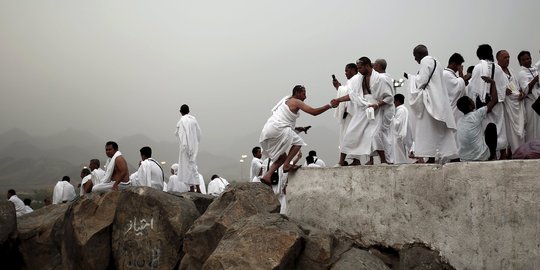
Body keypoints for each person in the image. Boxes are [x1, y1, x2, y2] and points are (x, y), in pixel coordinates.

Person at [259, 85, 336, 185]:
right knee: (298, 143)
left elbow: (284, 120)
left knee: (282, 157)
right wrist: (330, 105)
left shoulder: (286, 100)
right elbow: (313, 112)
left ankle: (267, 176)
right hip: (278, 129)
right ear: (298, 93)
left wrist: (300, 128)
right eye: (304, 94)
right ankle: (287, 165)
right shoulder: (296, 101)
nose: (305, 97)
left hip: (268, 129)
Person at [334, 57, 393, 165]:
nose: (359, 70)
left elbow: (389, 98)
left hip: (376, 110)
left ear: (367, 66)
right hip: (362, 109)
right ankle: (341, 162)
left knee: (374, 135)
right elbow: (353, 96)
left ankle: (384, 161)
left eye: (360, 68)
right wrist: (338, 100)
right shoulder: (358, 79)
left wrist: (377, 105)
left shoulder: (380, 79)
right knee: (350, 132)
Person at [405, 45, 458, 163]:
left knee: (427, 130)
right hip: (439, 100)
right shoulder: (437, 62)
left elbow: (421, 82)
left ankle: (431, 156)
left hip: (430, 101)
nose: (415, 59)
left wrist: (411, 78)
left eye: (415, 56)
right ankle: (447, 154)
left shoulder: (424, 62)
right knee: (439, 130)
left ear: (419, 54)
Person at [468, 44, 508, 159]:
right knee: (499, 128)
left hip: (483, 106)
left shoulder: (478, 68)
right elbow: (504, 86)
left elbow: (473, 89)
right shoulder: (499, 68)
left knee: (486, 129)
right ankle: (503, 153)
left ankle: (491, 154)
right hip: (497, 104)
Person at [456, 74, 499, 161]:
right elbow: (494, 100)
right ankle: (492, 156)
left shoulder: (459, 121)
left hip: (464, 158)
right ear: (469, 106)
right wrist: (493, 83)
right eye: (471, 101)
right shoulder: (476, 115)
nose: (473, 101)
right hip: (480, 157)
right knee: (491, 127)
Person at [497, 50, 525, 156]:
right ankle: (512, 152)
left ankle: (521, 151)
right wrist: (503, 90)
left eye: (508, 57)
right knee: (509, 131)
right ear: (498, 59)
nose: (508, 59)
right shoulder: (497, 71)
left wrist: (521, 92)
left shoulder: (511, 71)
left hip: (517, 105)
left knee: (520, 133)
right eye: (505, 57)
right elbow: (495, 87)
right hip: (507, 107)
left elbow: (517, 86)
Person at [332, 63, 360, 165]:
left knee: (348, 137)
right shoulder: (351, 81)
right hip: (348, 113)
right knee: (346, 136)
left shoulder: (356, 79)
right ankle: (355, 160)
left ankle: (342, 161)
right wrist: (338, 87)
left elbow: (351, 95)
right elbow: (346, 92)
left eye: (346, 70)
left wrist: (339, 90)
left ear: (353, 70)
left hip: (353, 113)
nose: (345, 73)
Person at [175, 104, 202, 192]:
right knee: (193, 166)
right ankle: (197, 187)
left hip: (185, 147)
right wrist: (195, 144)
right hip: (194, 147)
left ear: (180, 112)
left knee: (187, 167)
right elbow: (199, 133)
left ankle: (191, 188)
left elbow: (180, 134)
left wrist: (185, 146)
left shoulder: (182, 121)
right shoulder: (193, 120)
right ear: (189, 111)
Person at [517, 50, 540, 143]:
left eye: (528, 59)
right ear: (520, 62)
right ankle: (530, 149)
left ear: (531, 59)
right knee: (531, 127)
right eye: (523, 60)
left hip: (538, 101)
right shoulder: (522, 73)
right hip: (531, 103)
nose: (526, 61)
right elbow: (525, 90)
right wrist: (535, 80)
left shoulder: (535, 70)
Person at [443, 53, 469, 124]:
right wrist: (461, 72)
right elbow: (458, 88)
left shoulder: (449, 75)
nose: (460, 67)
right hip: (451, 109)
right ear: (453, 63)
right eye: (459, 65)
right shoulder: (446, 74)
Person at [391, 94, 416, 164]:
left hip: (400, 135)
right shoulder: (404, 109)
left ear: (398, 101)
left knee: (399, 153)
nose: (394, 104)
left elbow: (398, 124)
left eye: (394, 102)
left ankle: (401, 163)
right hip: (404, 134)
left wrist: (392, 118)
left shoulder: (401, 110)